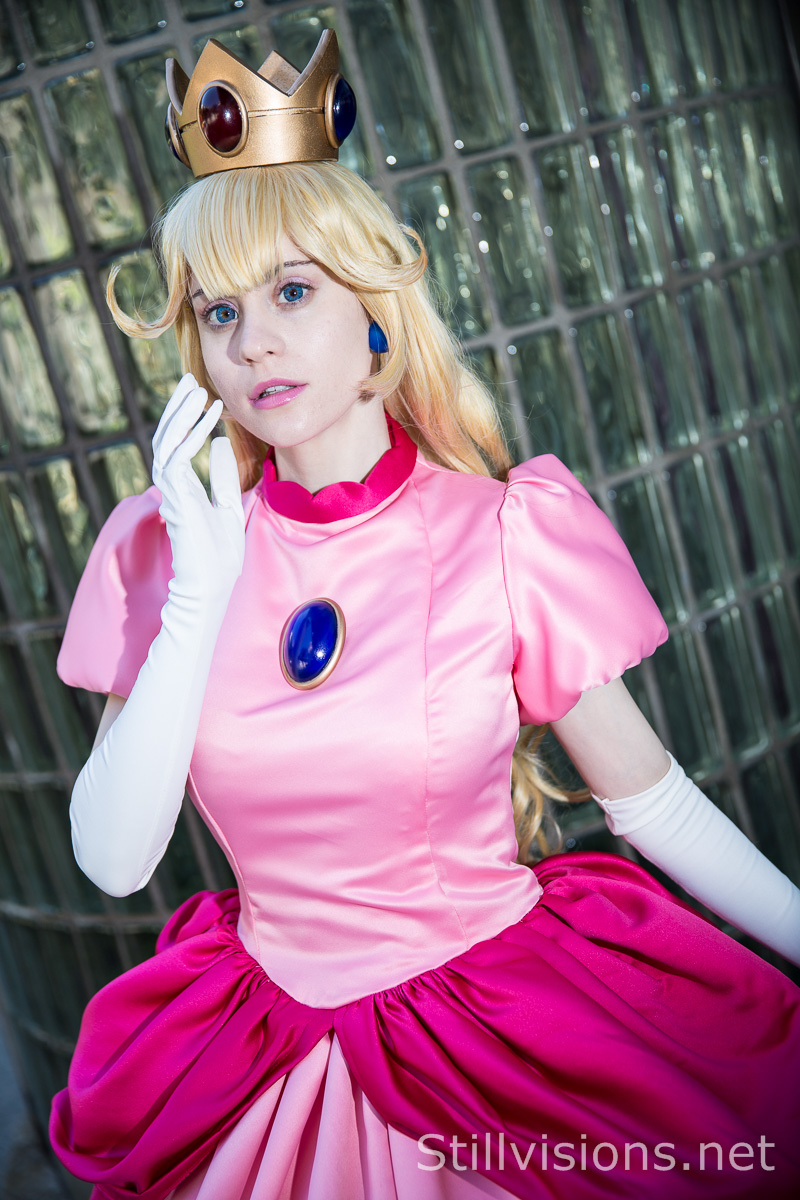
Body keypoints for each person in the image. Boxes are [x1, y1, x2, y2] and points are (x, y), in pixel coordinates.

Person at [49, 31, 800, 1200]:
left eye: (293, 291)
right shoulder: (161, 550)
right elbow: (111, 862)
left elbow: (651, 804)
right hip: (260, 1065)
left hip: (494, 1039)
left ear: (374, 315)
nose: (253, 342)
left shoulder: (505, 531)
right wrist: (198, 593)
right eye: (218, 310)